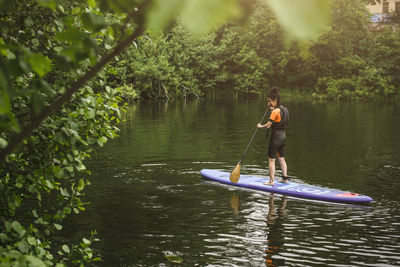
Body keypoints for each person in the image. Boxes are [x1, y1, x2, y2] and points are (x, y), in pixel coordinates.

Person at [257, 87, 289, 185]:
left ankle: (271, 181)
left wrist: (260, 126)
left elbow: (268, 125)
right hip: (283, 137)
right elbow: (279, 119)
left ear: (275, 100)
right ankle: (284, 179)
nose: (269, 103)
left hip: (275, 138)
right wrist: (272, 109)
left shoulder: (275, 112)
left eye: (270, 101)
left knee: (271, 159)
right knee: (281, 158)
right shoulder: (285, 109)